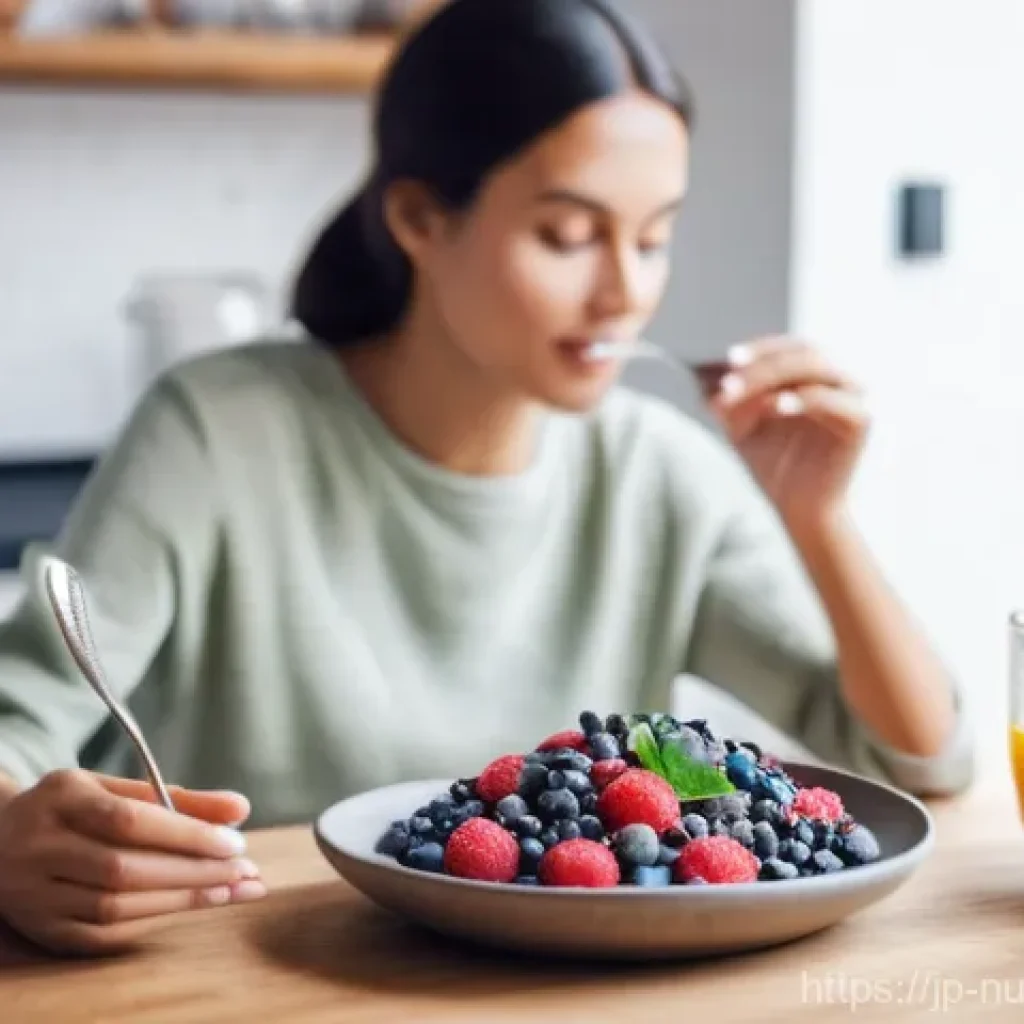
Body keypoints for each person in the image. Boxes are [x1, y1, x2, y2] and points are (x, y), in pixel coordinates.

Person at [0, 0, 971, 957]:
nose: (625, 292)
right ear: (420, 217)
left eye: (654, 236)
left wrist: (820, 518)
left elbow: (918, 761)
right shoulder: (213, 430)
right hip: (242, 969)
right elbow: (18, 728)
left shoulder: (659, 470)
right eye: (567, 234)